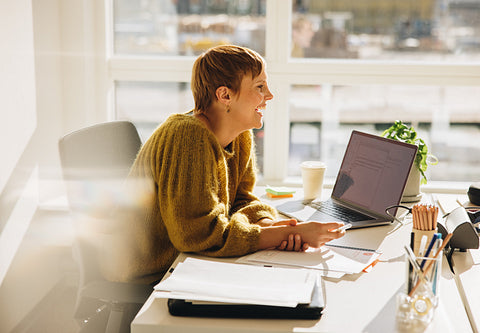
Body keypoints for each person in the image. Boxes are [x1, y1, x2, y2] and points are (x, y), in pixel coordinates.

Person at [103, 45, 346, 284]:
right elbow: (196, 236)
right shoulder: (187, 137)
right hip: (149, 272)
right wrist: (278, 235)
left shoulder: (239, 134)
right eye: (260, 87)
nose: (269, 95)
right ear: (225, 95)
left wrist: (268, 224)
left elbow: (240, 198)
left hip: (188, 263)